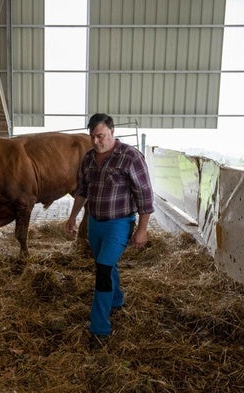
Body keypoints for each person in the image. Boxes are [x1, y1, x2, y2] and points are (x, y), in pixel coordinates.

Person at [64, 113, 154, 350]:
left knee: (103, 270)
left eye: (100, 136)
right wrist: (72, 217)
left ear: (112, 132)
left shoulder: (130, 157)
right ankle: (117, 299)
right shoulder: (89, 159)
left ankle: (99, 328)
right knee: (105, 264)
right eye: (92, 136)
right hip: (95, 223)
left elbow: (145, 196)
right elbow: (82, 190)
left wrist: (142, 230)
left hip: (120, 223)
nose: (96, 141)